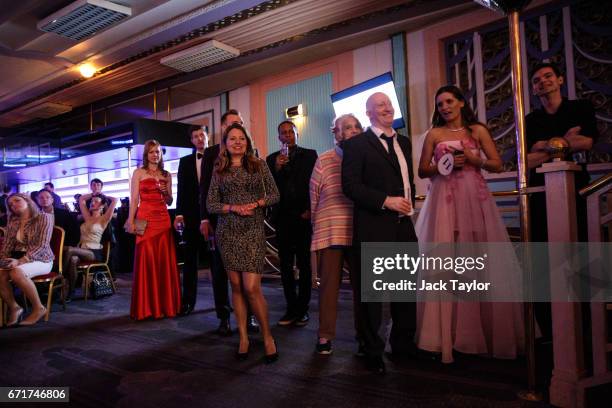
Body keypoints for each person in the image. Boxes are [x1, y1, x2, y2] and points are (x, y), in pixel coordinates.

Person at [415, 85, 524, 363]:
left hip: (474, 200)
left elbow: (497, 164)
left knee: (478, 259)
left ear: (461, 103)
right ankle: (444, 333)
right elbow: (422, 169)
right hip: (444, 201)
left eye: (449, 101)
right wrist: (442, 165)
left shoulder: (477, 131)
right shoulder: (435, 134)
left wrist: (475, 160)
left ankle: (481, 331)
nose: (445, 107)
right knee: (446, 262)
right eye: (440, 104)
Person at [341, 92, 417, 374]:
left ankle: (403, 346)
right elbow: (350, 186)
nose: (386, 108)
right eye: (379, 105)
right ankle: (372, 351)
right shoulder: (357, 144)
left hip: (404, 225)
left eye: (388, 104)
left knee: (405, 290)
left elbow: (406, 180)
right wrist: (385, 200)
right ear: (368, 112)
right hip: (374, 225)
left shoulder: (405, 142)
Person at [525, 62, 596, 340]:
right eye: (536, 80)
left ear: (560, 79)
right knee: (544, 262)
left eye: (547, 77)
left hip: (578, 194)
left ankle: (587, 328)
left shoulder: (580, 108)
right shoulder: (531, 120)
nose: (542, 82)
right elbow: (527, 161)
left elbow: (587, 143)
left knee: (581, 259)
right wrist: (564, 142)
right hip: (541, 198)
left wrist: (544, 145)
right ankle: (552, 331)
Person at [207, 123, 280, 363]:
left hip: (252, 231)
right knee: (236, 287)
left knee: (251, 288)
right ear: (225, 144)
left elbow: (274, 195)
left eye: (241, 138)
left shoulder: (259, 165)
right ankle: (244, 338)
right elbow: (211, 204)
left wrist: (257, 204)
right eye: (232, 139)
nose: (237, 142)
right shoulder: (219, 170)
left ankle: (268, 336)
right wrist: (232, 207)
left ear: (247, 142)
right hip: (227, 232)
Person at [200, 109, 258, 335]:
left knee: (247, 272)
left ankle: (251, 317)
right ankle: (223, 317)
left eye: (241, 123)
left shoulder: (250, 151)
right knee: (220, 271)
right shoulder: (211, 154)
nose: (239, 127)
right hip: (219, 221)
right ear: (223, 127)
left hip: (246, 223)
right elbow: (204, 188)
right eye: (234, 123)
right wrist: (205, 218)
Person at [310, 114, 363, 355]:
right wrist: (315, 225)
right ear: (337, 133)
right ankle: (324, 336)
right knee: (329, 287)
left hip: (359, 229)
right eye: (346, 128)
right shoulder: (324, 160)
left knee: (364, 288)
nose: (352, 131)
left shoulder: (367, 158)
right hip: (330, 230)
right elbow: (313, 196)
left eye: (356, 127)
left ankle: (365, 336)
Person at [266, 120, 317, 326]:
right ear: (279, 137)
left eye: (291, 132)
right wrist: (277, 168)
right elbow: (268, 187)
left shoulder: (310, 155)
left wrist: (310, 210)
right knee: (285, 266)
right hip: (283, 219)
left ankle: (303, 309)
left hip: (304, 217)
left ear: (297, 134)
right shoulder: (271, 160)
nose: (287, 135)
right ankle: (291, 308)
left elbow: (315, 185)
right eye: (283, 133)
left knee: (305, 265)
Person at [126, 139, 181, 320]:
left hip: (163, 220)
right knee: (146, 261)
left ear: (161, 154)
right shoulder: (138, 173)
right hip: (144, 218)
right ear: (146, 155)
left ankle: (164, 306)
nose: (155, 155)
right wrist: (131, 220)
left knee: (163, 262)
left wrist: (166, 192)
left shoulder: (167, 174)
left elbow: (170, 201)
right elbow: (134, 200)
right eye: (151, 152)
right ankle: (146, 308)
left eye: (157, 152)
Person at [0, 193, 54, 326]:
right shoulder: (13, 221)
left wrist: (19, 261)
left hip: (42, 259)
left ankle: (39, 308)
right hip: (18, 259)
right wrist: (3, 260)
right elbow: (7, 244)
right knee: (0, 273)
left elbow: (42, 246)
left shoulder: (44, 217)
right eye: (11, 205)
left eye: (17, 200)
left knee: (16, 272)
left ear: (27, 200)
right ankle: (15, 308)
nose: (14, 205)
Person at [174, 125, 209, 317]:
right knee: (189, 262)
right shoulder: (185, 161)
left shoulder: (217, 157)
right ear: (192, 140)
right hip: (191, 217)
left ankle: (224, 307)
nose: (199, 139)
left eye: (202, 135)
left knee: (217, 265)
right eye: (195, 136)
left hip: (213, 216)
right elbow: (181, 189)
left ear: (207, 136)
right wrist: (179, 213)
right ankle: (188, 302)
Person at [63, 193, 117, 301]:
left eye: (96, 201)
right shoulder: (87, 217)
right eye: (92, 201)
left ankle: (60, 276)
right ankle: (71, 292)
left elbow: (115, 199)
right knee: (73, 259)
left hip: (94, 252)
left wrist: (102, 195)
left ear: (102, 205)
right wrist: (93, 194)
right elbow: (82, 199)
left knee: (68, 249)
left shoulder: (104, 219)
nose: (93, 202)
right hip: (82, 250)